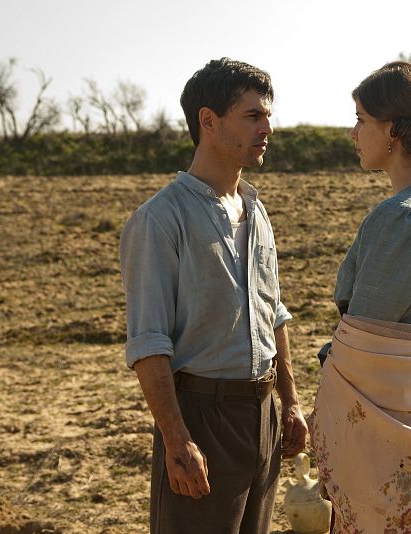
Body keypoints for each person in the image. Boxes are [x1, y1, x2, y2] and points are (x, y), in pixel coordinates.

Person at [120, 58, 307, 534]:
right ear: (208, 120)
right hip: (201, 417)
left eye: (268, 116)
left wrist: (289, 402)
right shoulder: (160, 219)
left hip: (263, 416)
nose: (268, 128)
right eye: (253, 116)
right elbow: (149, 340)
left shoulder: (257, 212)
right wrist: (177, 438)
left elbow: (273, 314)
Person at [310, 62, 411, 533]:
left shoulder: (402, 216)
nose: (353, 133)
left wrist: (331, 362)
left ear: (394, 131)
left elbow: (365, 342)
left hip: (387, 427)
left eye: (361, 119)